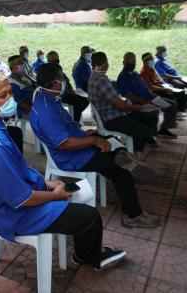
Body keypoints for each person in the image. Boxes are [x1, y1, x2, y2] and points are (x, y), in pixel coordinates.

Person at [0, 70, 127, 271]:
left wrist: (47, 183)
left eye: (10, 93)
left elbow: (15, 172)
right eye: (3, 96)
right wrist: (54, 196)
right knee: (90, 216)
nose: (10, 99)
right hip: (16, 214)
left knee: (80, 191)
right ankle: (88, 257)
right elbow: (20, 199)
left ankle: (83, 247)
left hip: (11, 198)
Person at [30, 63, 161, 228]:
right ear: (55, 82)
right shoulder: (46, 110)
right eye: (62, 78)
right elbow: (64, 143)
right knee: (119, 170)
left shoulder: (46, 96)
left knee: (110, 139)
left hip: (77, 145)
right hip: (71, 157)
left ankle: (125, 157)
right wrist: (93, 141)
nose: (63, 81)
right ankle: (133, 215)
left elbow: (65, 128)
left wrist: (86, 134)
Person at [88, 52, 158, 153]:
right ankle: (133, 152)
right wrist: (135, 107)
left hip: (115, 114)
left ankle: (135, 148)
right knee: (146, 132)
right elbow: (120, 105)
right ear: (106, 64)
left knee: (150, 118)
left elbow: (117, 101)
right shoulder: (101, 80)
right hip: (112, 119)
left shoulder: (94, 76)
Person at [117, 52, 178, 138]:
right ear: (124, 62)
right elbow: (129, 95)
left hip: (150, 98)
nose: (132, 64)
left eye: (134, 62)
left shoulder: (135, 74)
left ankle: (164, 129)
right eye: (129, 62)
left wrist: (153, 96)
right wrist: (144, 101)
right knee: (154, 112)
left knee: (173, 105)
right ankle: (150, 135)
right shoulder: (123, 77)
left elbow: (145, 88)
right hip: (140, 102)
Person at [140, 52, 187, 116]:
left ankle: (178, 111)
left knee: (181, 92)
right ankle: (174, 112)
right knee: (170, 95)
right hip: (155, 91)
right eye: (151, 59)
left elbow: (158, 80)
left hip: (160, 88)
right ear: (145, 61)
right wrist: (164, 89)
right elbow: (150, 87)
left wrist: (166, 84)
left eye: (152, 58)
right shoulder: (144, 72)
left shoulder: (151, 69)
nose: (153, 60)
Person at [46, 51, 89, 122]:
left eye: (57, 59)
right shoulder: (49, 72)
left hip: (67, 93)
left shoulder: (59, 69)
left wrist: (71, 90)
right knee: (78, 103)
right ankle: (75, 122)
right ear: (49, 61)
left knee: (85, 101)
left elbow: (67, 81)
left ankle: (74, 119)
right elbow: (58, 88)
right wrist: (70, 92)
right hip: (59, 95)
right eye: (54, 60)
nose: (57, 61)